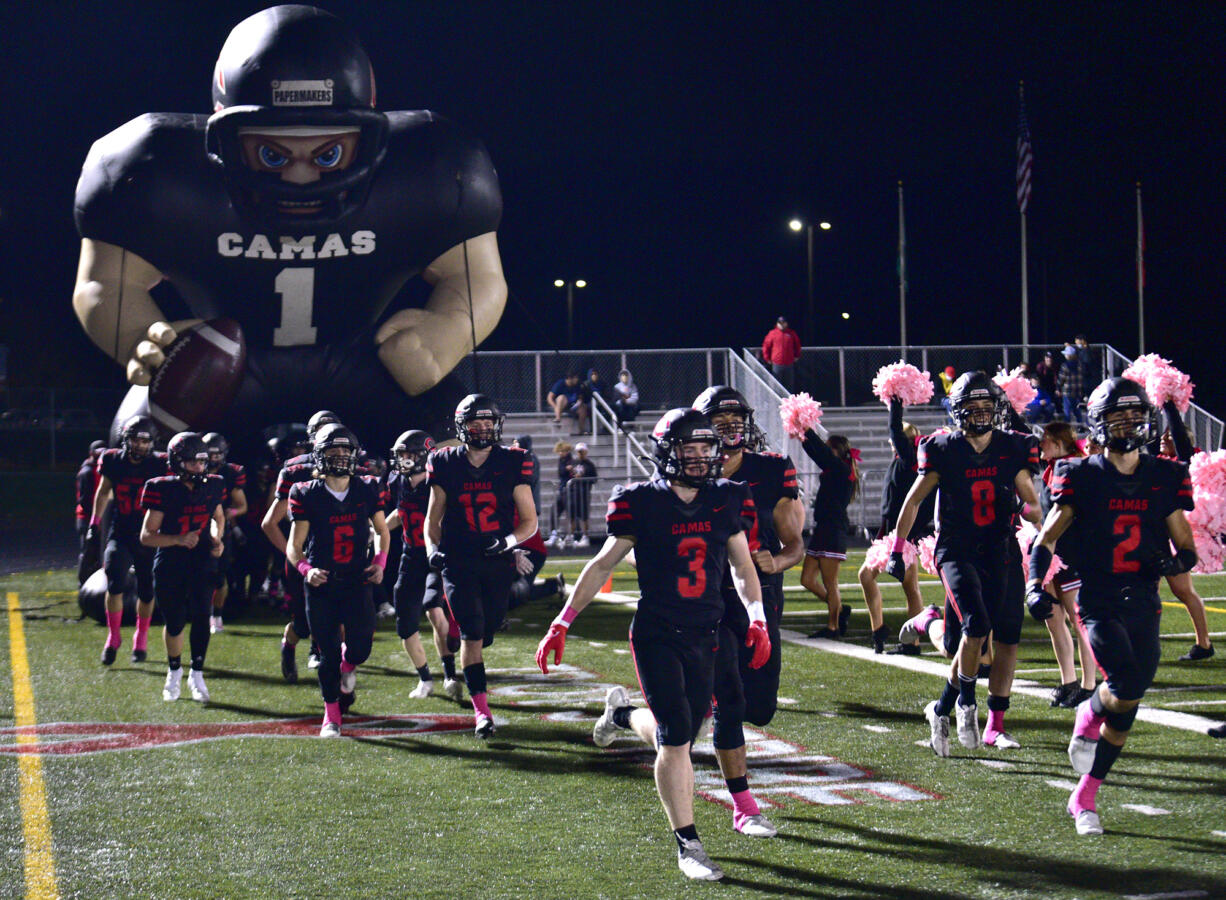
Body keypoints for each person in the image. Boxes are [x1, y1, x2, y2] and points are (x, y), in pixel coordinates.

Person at [72, 5, 506, 457]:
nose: (302, 177)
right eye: (273, 154)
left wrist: (446, 331)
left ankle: (437, 531)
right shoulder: (150, 172)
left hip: (366, 362)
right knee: (139, 445)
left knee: (459, 443)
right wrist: (139, 334)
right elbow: (106, 282)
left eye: (328, 154)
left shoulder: (434, 169)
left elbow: (473, 275)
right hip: (223, 367)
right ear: (224, 137)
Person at [535, 408, 771, 881]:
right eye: (692, 449)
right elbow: (603, 565)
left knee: (682, 732)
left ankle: (620, 715)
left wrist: (758, 617)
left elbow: (743, 567)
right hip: (659, 633)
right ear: (668, 452)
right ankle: (688, 844)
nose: (703, 458)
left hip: (707, 631)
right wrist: (563, 621)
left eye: (708, 449)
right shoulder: (641, 502)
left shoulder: (726, 499)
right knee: (678, 734)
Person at [1028, 377, 1195, 835]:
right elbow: (1047, 538)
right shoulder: (1079, 474)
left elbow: (1187, 546)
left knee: (1129, 700)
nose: (1128, 424)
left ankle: (1085, 792)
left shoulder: (1163, 474)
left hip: (1144, 597)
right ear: (1099, 425)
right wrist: (1033, 583)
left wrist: (1176, 560)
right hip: (1099, 596)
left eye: (1134, 415)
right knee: (1122, 681)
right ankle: (1089, 720)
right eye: (1117, 416)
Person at [890, 372, 1041, 757]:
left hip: (999, 547)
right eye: (971, 409)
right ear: (958, 412)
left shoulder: (1014, 447)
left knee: (981, 636)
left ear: (997, 410)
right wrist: (897, 548)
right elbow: (912, 502)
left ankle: (941, 707)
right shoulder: (942, 448)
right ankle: (967, 704)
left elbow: (1035, 507)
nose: (979, 415)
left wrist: (1024, 511)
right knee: (976, 625)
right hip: (956, 548)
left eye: (986, 408)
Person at [425, 394, 538, 738]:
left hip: (496, 559)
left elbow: (530, 520)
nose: (484, 430)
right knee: (474, 634)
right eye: (477, 424)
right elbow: (434, 518)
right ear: (463, 427)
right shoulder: (444, 461)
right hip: (458, 560)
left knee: (487, 630)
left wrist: (506, 542)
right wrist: (432, 548)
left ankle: (469, 637)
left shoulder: (514, 461)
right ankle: (482, 714)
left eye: (489, 424)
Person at [287, 424, 390, 737]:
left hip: (357, 579)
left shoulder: (369, 486)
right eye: (334, 451)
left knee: (359, 650)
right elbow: (294, 544)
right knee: (326, 652)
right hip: (322, 581)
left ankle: (349, 666)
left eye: (346, 451)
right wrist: (306, 569)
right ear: (320, 455)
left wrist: (380, 562)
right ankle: (331, 715)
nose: (341, 457)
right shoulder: (304, 492)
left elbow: (382, 531)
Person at [139, 432, 226, 703]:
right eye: (191, 463)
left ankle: (197, 673)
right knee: (175, 621)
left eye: (201, 462)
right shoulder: (161, 487)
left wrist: (217, 537)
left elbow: (218, 517)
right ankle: (174, 670)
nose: (198, 468)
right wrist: (177, 539)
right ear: (177, 462)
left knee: (201, 616)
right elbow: (146, 536)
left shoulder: (214, 485)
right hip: (171, 561)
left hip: (201, 559)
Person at [262, 412, 349, 680]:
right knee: (302, 621)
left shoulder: (353, 467)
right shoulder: (296, 470)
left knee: (342, 617)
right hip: (306, 556)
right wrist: (293, 555)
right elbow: (269, 522)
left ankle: (335, 670)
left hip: (340, 555)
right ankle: (290, 646)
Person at [385, 429, 464, 702]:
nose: (404, 459)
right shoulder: (398, 481)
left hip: (437, 555)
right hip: (411, 556)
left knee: (432, 607)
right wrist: (378, 529)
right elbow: (401, 512)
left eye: (410, 454)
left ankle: (450, 674)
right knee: (405, 623)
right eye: (402, 454)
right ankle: (425, 679)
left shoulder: (438, 483)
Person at [90, 415, 168, 665]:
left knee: (147, 590)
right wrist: (94, 522)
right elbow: (103, 492)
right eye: (136, 439)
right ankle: (113, 638)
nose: (141, 445)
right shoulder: (113, 460)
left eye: (146, 441)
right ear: (127, 439)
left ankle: (141, 637)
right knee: (114, 581)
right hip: (121, 531)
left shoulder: (159, 464)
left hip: (148, 535)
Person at [863, 399, 935, 654]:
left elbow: (895, 429)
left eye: (896, 439)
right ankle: (909, 641)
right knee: (910, 589)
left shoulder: (908, 461)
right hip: (896, 531)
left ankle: (884, 631)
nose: (892, 441)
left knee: (868, 576)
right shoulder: (909, 462)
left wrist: (895, 403)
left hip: (899, 533)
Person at [1035, 422, 1097, 708]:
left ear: (1059, 443)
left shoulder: (1074, 467)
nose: (1041, 445)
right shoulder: (1054, 467)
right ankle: (1068, 681)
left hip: (1072, 553)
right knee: (1054, 619)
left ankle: (1089, 685)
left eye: (1046, 440)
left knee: (1078, 620)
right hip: (1053, 554)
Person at [1156, 401, 1215, 661]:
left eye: (1167, 436)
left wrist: (1169, 407)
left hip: (1174, 535)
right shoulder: (1154, 461)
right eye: (1163, 434)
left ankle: (1204, 644)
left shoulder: (1186, 461)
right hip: (1152, 532)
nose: (1163, 438)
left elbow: (1181, 440)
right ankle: (1143, 642)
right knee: (1145, 591)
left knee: (1183, 590)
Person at [798, 427, 860, 639]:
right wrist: (803, 437)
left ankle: (833, 627)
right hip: (823, 529)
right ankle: (840, 609)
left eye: (829, 449)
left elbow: (821, 455)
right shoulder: (835, 468)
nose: (826, 451)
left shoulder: (842, 470)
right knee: (806, 579)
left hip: (833, 530)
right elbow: (818, 454)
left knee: (830, 583)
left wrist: (808, 430)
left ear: (838, 452)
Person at [202, 432, 247, 633]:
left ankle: (216, 614)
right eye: (209, 454)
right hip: (194, 524)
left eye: (217, 454)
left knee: (219, 576)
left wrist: (232, 513)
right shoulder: (192, 468)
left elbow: (242, 505)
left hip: (220, 527)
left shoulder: (230, 473)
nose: (213, 459)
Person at [75, 439, 106, 585]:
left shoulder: (103, 468)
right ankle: (83, 582)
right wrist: (95, 520)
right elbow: (85, 500)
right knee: (87, 551)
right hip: (87, 518)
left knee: (98, 551)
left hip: (97, 517)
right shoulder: (87, 471)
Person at [566, 442, 598, 548]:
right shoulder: (573, 462)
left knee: (584, 516)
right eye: (579, 451)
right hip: (573, 492)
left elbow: (594, 479)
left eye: (582, 451)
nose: (580, 453)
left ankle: (585, 536)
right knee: (572, 515)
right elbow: (565, 475)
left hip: (584, 492)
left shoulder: (590, 465)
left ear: (586, 451)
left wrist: (583, 478)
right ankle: (571, 536)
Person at [544, 441, 574, 548]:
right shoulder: (562, 460)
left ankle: (571, 536)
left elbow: (567, 473)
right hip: (562, 490)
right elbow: (561, 472)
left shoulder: (570, 460)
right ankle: (554, 534)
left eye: (563, 451)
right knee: (554, 510)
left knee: (570, 513)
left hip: (569, 490)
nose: (561, 453)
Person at [761, 316, 801, 390]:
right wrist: (767, 358)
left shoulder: (791, 333)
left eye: (783, 323)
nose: (782, 325)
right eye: (780, 323)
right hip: (777, 363)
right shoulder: (772, 333)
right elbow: (766, 346)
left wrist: (797, 356)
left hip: (789, 363)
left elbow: (797, 345)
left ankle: (788, 400)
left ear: (786, 324)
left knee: (789, 385)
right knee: (776, 384)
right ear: (777, 324)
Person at [511, 435, 542, 516]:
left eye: (516, 443)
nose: (513, 446)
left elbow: (529, 479)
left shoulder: (530, 458)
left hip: (528, 500)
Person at [1057, 345, 1087, 425]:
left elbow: (1061, 379)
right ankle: (1080, 425)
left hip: (1067, 391)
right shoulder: (1080, 365)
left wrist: (1058, 388)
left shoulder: (1065, 366)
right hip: (1078, 390)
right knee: (1076, 409)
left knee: (1067, 410)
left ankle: (1067, 426)